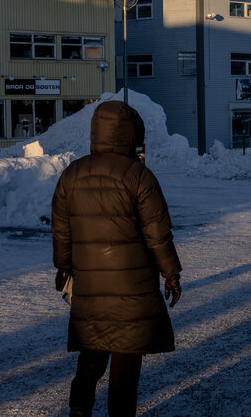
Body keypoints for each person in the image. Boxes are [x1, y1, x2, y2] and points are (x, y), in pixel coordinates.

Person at [51, 101, 183, 417]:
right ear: (131, 135)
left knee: (92, 350)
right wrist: (171, 273)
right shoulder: (139, 175)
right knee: (126, 358)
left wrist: (64, 266)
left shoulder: (72, 173)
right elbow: (158, 234)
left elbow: (62, 230)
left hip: (91, 284)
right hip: (132, 286)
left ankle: (79, 407)